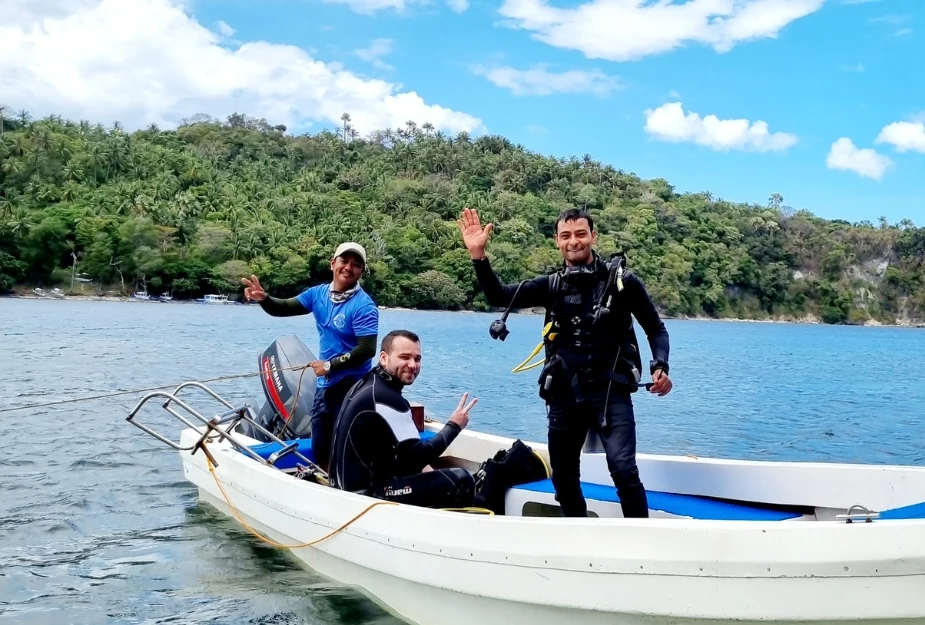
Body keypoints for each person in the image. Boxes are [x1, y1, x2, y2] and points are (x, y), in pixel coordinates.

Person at [457, 207, 673, 519]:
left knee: (624, 470)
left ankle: (640, 540)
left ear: (593, 237)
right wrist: (478, 255)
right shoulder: (552, 285)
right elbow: (499, 296)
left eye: (581, 234)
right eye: (566, 236)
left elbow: (656, 329)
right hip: (564, 394)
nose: (574, 241)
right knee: (563, 479)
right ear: (557, 242)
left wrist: (660, 366)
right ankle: (580, 533)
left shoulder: (623, 283)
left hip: (610, 392)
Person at [241, 241, 379, 472]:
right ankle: (327, 481)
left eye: (356, 265)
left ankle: (350, 483)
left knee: (347, 442)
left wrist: (329, 365)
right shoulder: (318, 294)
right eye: (344, 261)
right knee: (320, 443)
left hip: (352, 385)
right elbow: (283, 307)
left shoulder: (364, 306)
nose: (349, 267)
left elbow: (367, 350)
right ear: (332, 263)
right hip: (325, 382)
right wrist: (264, 299)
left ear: (362, 272)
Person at [328, 329, 479, 509]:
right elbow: (417, 458)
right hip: (365, 496)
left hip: (344, 488)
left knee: (429, 472)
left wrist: (426, 473)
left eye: (417, 359)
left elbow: (407, 457)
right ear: (384, 358)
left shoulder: (368, 383)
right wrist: (454, 425)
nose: (412, 365)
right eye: (404, 357)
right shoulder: (386, 399)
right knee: (461, 479)